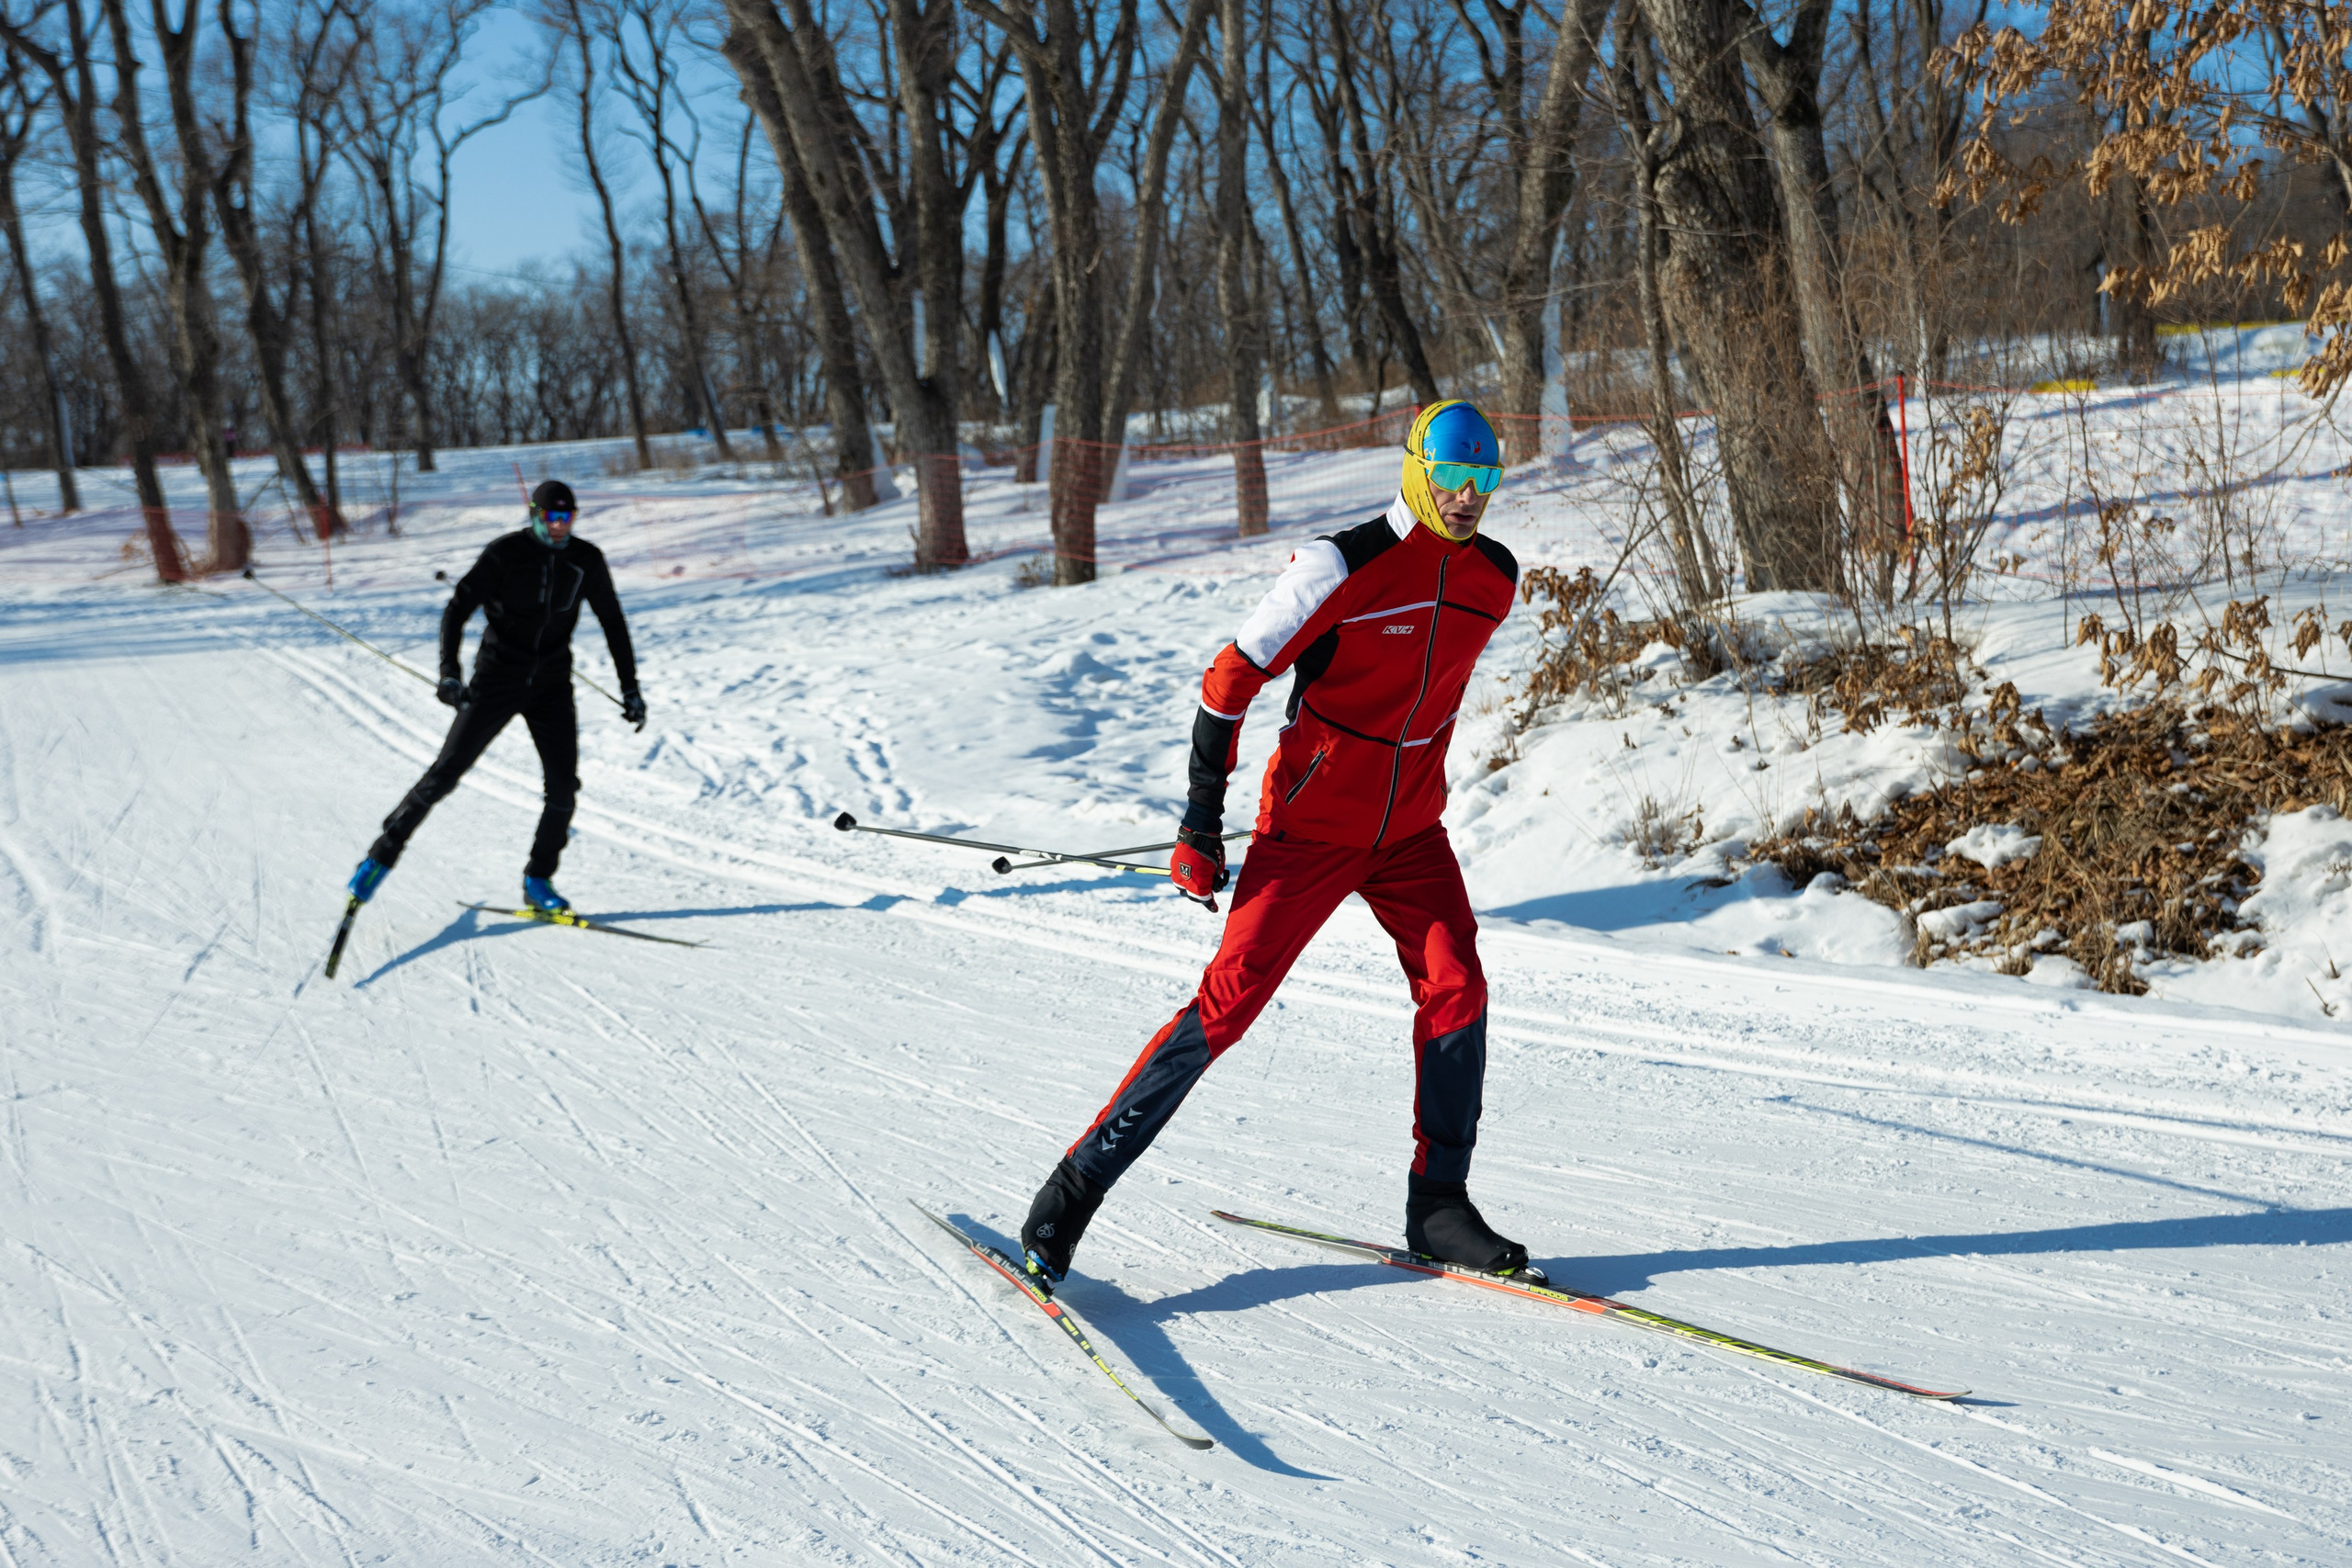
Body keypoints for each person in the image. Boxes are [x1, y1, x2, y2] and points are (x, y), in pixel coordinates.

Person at [1019, 400, 1527, 1292]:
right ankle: (1070, 1195)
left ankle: (1438, 1205)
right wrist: (1197, 822)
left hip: (1410, 832)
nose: (1466, 498)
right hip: (1310, 832)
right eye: (1451, 478)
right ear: (1416, 468)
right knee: (1226, 1006)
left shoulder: (1493, 578)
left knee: (1459, 985)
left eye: (1483, 481)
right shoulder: (1341, 566)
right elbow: (1228, 681)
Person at [344, 479, 647, 914]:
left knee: (563, 788)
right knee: (446, 773)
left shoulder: (586, 560)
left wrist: (630, 687)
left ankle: (538, 879)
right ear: (535, 514)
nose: (560, 527)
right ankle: (379, 857)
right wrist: (450, 673)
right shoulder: (505, 553)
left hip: (551, 686)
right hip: (497, 678)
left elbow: (613, 622)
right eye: (552, 518)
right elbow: (457, 609)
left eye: (568, 518)